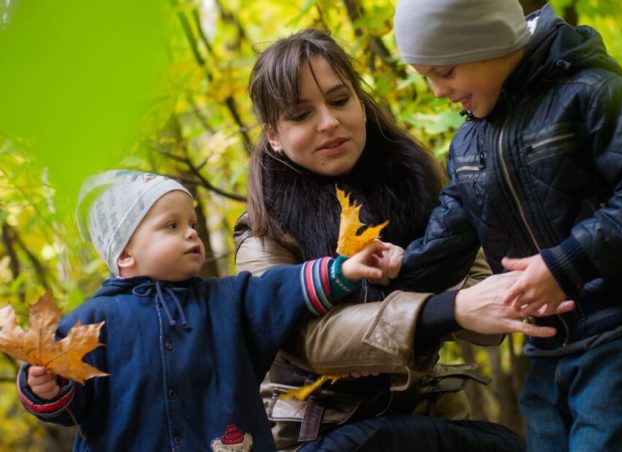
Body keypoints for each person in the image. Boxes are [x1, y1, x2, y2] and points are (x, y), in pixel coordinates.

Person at [391, 0, 622, 450]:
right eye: (426, 75)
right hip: (548, 344)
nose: (437, 91)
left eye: (444, 71)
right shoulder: (470, 143)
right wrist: (401, 266)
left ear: (487, 38)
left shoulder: (590, 93)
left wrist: (566, 264)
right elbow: (453, 227)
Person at [237, 28, 574, 451]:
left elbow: (477, 277)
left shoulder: (417, 179)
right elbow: (308, 338)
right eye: (301, 115)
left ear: (360, 102)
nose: (329, 122)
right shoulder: (262, 227)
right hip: (320, 430)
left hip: (426, 410)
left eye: (340, 100)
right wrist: (447, 311)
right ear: (273, 136)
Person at [16, 169, 389, 451]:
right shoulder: (91, 322)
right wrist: (45, 388)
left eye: (192, 224)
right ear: (125, 253)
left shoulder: (227, 300)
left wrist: (344, 270)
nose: (191, 233)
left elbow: (283, 289)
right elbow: (64, 402)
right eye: (171, 226)